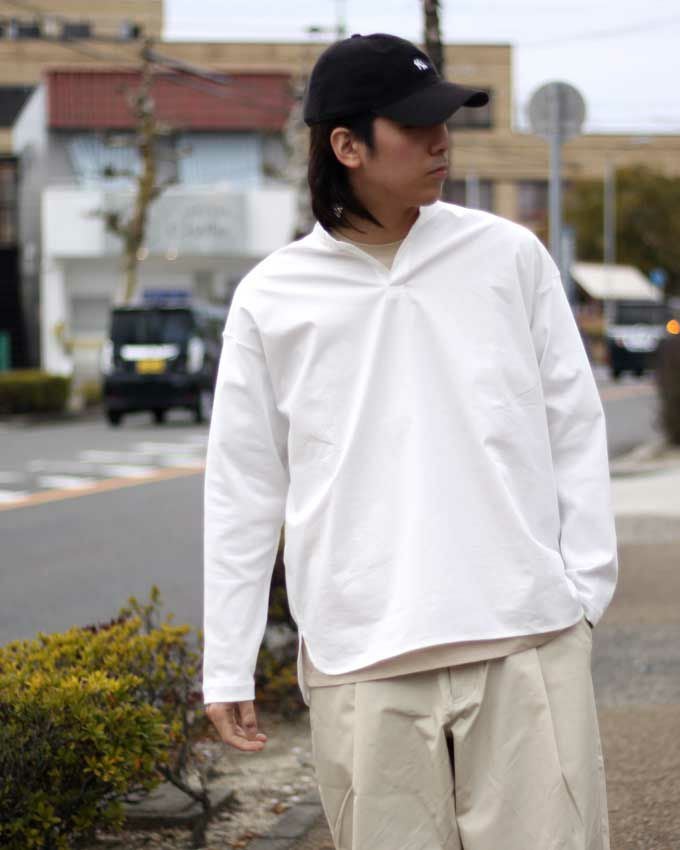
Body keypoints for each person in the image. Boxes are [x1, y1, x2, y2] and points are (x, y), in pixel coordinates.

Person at [203, 32, 618, 850]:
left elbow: (574, 423)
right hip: (362, 656)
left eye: (444, 120)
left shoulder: (507, 257)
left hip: (524, 637)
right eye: (416, 124)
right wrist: (227, 662)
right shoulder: (272, 297)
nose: (441, 140)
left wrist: (584, 595)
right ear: (346, 146)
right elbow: (244, 487)